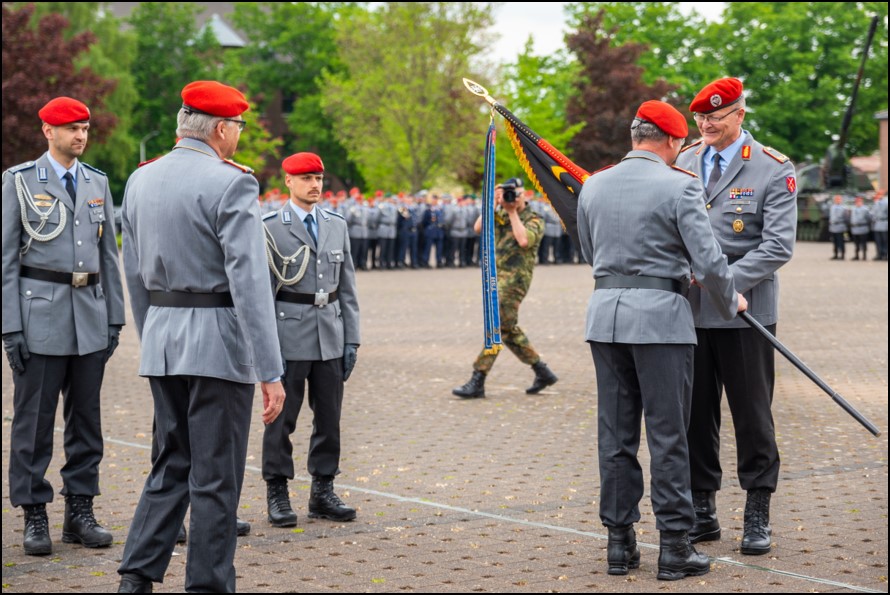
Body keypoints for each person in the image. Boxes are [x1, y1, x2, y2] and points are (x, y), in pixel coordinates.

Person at [116, 81, 286, 593]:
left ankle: (136, 578)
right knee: (214, 480)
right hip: (218, 344)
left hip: (165, 341)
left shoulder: (140, 180)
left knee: (170, 467)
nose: (236, 135)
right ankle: (208, 586)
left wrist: (155, 337)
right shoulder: (231, 183)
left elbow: (133, 272)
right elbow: (250, 283)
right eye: (236, 126)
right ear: (218, 128)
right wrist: (270, 370)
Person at [578, 100, 745, 580]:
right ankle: (674, 547)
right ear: (672, 142)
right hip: (660, 321)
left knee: (615, 436)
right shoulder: (680, 185)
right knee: (669, 436)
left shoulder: (594, 184)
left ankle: (619, 543)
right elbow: (709, 260)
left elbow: (591, 251)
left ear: (635, 137)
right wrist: (729, 297)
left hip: (606, 317)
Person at [677, 77, 797, 556]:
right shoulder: (684, 161)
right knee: (695, 415)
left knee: (752, 415)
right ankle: (703, 511)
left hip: (748, 312)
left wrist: (726, 282)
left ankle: (757, 510)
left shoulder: (772, 167)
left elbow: (777, 245)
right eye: (701, 117)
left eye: (716, 116)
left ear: (740, 115)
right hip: (690, 312)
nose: (706, 124)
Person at [1, 97, 125, 557]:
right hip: (40, 316)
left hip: (89, 316)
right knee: (34, 424)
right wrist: (10, 327)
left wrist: (115, 316)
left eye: (85, 128)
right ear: (47, 132)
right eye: (71, 128)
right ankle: (34, 513)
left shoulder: (96, 181)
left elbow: (109, 256)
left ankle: (80, 511)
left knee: (86, 422)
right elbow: (5, 261)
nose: (81, 135)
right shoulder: (17, 183)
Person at [261, 152, 361, 528]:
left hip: (330, 334)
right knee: (281, 419)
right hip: (287, 333)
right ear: (288, 181)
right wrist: (265, 346)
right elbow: (262, 293)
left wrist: (352, 338)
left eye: (318, 178)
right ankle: (278, 491)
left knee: (329, 419)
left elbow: (347, 287)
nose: (314, 185)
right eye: (305, 179)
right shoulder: (270, 225)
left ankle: (323, 490)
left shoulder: (336, 223)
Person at [452, 178, 558, 399]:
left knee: (497, 326)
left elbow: (524, 241)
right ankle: (542, 370)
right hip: (496, 278)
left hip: (516, 279)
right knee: (507, 329)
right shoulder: (498, 212)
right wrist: (492, 203)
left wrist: (512, 213)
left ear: (524, 195)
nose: (511, 198)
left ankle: (478, 378)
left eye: (514, 193)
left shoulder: (534, 218)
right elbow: (478, 227)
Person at [849, 196, 872, 260]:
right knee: (856, 243)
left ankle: (864, 256)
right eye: (857, 202)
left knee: (863, 243)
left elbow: (869, 219)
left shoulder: (865, 209)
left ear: (862, 202)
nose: (858, 203)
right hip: (855, 228)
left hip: (863, 228)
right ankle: (857, 256)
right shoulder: (853, 209)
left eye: (859, 202)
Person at [828, 195, 848, 260]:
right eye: (836, 199)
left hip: (840, 227)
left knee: (841, 242)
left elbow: (846, 218)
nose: (837, 200)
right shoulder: (832, 207)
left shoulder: (844, 208)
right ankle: (836, 254)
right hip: (833, 227)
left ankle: (842, 255)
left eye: (839, 199)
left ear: (841, 200)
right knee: (835, 242)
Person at [872, 190, 888, 260]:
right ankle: (879, 254)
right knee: (878, 240)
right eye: (878, 194)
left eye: (880, 194)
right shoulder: (876, 203)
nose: (879, 195)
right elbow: (873, 213)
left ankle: (885, 254)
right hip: (877, 224)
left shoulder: (886, 202)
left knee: (885, 240)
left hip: (884, 223)